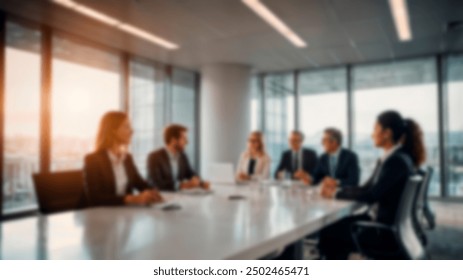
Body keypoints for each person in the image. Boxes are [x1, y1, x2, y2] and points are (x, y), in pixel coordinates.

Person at [318, 110, 424, 259]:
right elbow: (366, 188)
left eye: (375, 129)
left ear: (386, 133)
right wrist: (338, 189)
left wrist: (335, 194)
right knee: (335, 226)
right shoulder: (393, 158)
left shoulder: (395, 162)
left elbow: (371, 195)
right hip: (385, 225)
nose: (372, 134)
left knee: (329, 231)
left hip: (383, 233)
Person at [84, 111, 163, 207]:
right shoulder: (93, 159)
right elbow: (95, 198)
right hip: (99, 215)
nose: (132, 131)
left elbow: (140, 183)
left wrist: (152, 191)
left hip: (123, 213)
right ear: (113, 130)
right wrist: (132, 199)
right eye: (127, 126)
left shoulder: (127, 158)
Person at [147, 124, 209, 191]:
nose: (187, 142)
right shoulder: (154, 157)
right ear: (173, 140)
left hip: (178, 196)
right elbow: (156, 183)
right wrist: (183, 185)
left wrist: (201, 183)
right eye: (184, 139)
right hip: (161, 197)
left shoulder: (182, 156)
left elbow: (190, 173)